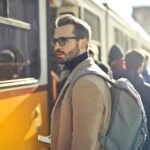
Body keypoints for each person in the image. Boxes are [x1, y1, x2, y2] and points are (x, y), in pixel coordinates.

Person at [50, 14, 111, 150]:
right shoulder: (84, 73)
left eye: (63, 40)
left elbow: (84, 145)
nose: (56, 47)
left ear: (83, 42)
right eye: (55, 41)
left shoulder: (86, 83)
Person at [113, 49, 150, 150]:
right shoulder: (147, 90)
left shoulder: (111, 83)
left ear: (125, 64)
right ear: (141, 66)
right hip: (141, 142)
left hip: (114, 139)